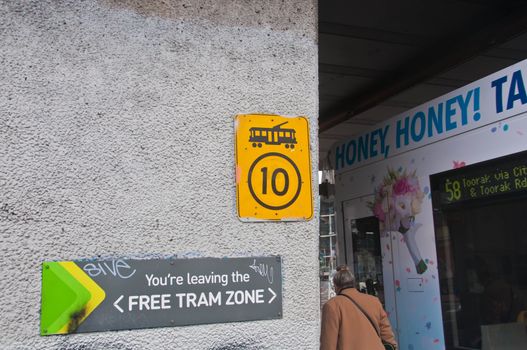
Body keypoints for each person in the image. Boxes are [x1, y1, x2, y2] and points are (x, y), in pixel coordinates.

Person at [320, 265, 397, 350]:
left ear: (335, 286)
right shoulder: (374, 301)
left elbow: (328, 344)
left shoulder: (332, 306)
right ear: (353, 283)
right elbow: (387, 334)